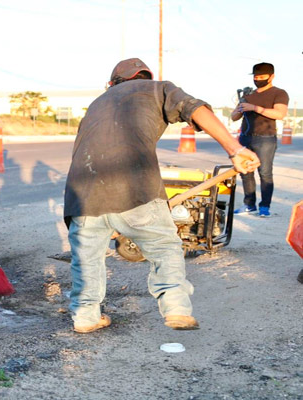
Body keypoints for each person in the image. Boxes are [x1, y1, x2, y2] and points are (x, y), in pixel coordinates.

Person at [63, 58, 260, 333]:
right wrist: (235, 150)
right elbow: (196, 109)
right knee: (165, 248)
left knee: (86, 259)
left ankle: (85, 317)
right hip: (135, 189)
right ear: (146, 77)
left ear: (111, 84)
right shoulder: (157, 89)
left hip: (82, 195)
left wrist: (107, 217)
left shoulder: (98, 102)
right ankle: (177, 308)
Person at [231, 62, 289, 218]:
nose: (258, 79)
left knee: (265, 173)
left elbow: (280, 114)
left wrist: (255, 108)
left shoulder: (279, 93)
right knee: (246, 172)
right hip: (245, 137)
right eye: (255, 77)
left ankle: (264, 206)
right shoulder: (247, 95)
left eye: (261, 77)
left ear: (271, 77)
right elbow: (234, 117)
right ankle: (249, 205)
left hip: (266, 139)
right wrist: (240, 107)